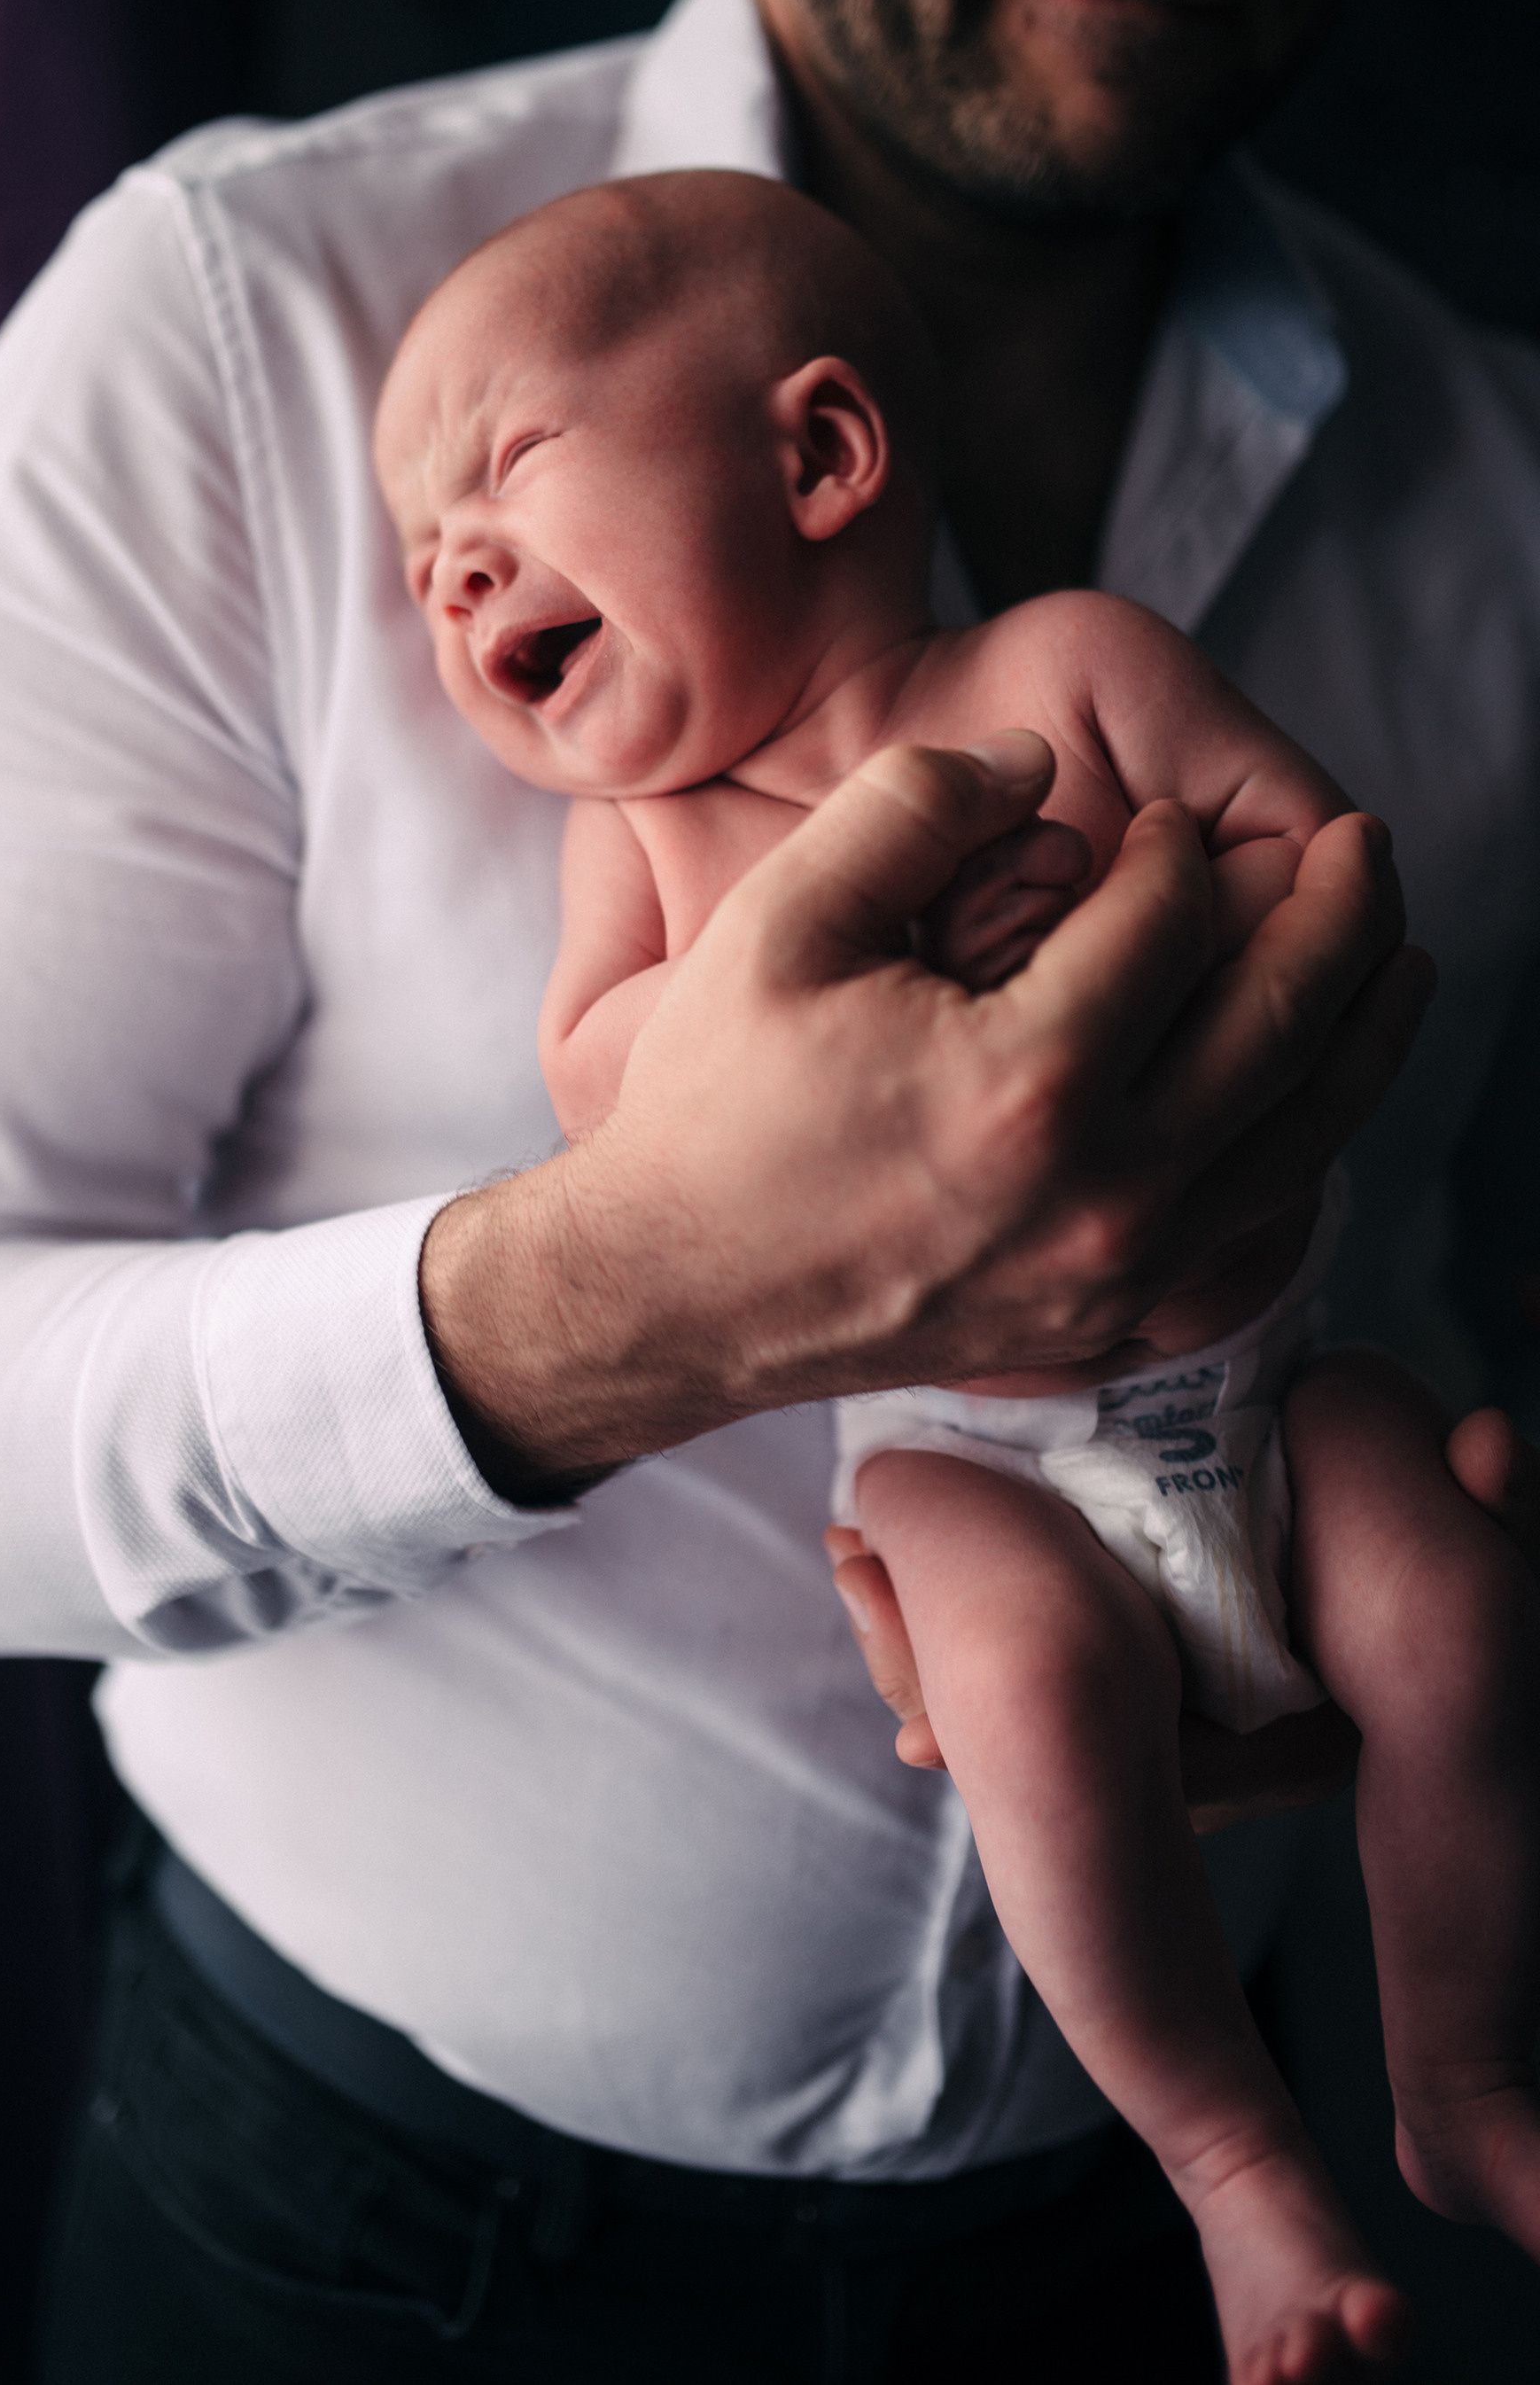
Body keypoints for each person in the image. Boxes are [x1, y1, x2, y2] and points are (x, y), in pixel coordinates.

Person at [0, 0, 1536, 2376]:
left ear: (825, 452)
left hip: (1105, 2275)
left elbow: (1423, 1199)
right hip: (357, 2244)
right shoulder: (244, 329)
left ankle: (1447, 2085)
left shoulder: (1488, 481)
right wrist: (647, 1280)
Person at [375, 162, 1540, 2380]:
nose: (450, 564)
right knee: (1022, 1690)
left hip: (1271, 1394)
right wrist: (784, 983)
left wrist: (1142, 904)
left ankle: (1465, 2075)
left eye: (505, 467)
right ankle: (1232, 2166)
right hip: (976, 1465)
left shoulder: (1065, 672)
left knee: (1461, 1611)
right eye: (421, 547)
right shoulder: (650, 843)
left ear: (818, 454)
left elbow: (1325, 869)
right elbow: (597, 1075)